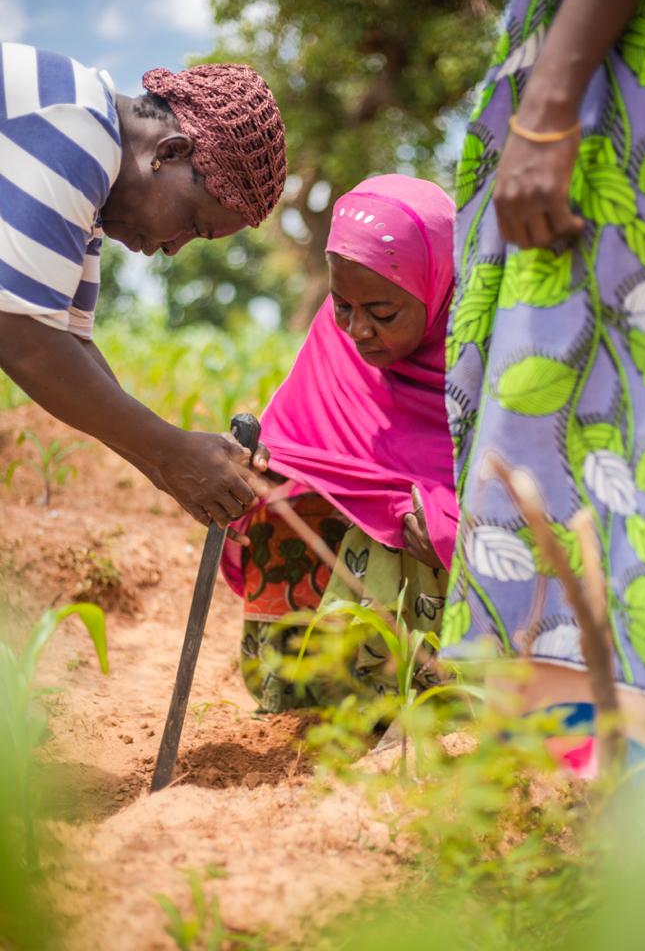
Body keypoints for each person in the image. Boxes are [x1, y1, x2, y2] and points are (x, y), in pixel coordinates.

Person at [442, 0, 645, 759]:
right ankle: (587, 773)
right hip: (608, 74)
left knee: (628, 413)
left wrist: (546, 114)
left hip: (631, 91)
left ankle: (614, 788)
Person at [0, 42, 286, 526]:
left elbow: (69, 342)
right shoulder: (78, 129)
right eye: (194, 224)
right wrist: (172, 453)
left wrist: (165, 463)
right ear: (170, 153)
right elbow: (22, 337)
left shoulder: (95, 190)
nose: (173, 248)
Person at [221, 174, 459, 711]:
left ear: (437, 286)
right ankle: (314, 692)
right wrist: (261, 467)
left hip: (447, 583)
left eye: (383, 313)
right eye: (343, 305)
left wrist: (451, 521)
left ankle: (430, 698)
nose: (357, 330)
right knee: (277, 500)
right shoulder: (338, 341)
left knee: (427, 523)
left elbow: (529, 491)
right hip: (338, 564)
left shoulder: (483, 360)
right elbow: (294, 441)